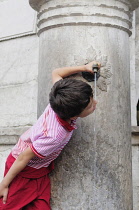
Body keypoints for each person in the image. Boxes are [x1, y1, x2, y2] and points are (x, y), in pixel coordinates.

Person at [0, 61, 100, 210]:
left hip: (39, 170)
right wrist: (4, 184)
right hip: (23, 170)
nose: (95, 103)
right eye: (90, 106)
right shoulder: (54, 135)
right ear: (74, 116)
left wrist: (84, 68)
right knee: (8, 206)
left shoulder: (59, 100)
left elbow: (56, 73)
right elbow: (23, 157)